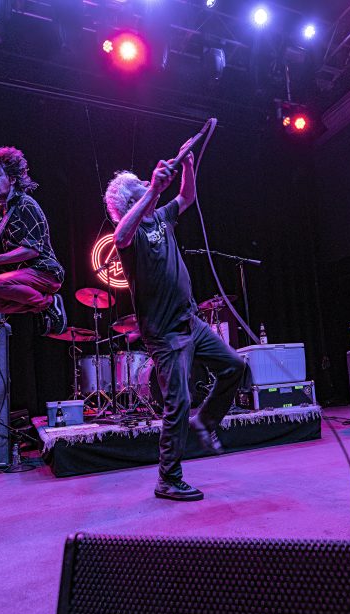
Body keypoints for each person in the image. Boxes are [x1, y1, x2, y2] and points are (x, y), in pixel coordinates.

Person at [105, 147, 245, 501]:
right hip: (165, 333)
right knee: (178, 402)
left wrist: (189, 165)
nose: (146, 182)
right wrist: (153, 188)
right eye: (140, 184)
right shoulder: (131, 233)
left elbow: (186, 197)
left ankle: (206, 421)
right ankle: (168, 479)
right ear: (130, 200)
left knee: (234, 366)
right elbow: (119, 237)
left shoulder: (161, 217)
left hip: (190, 321)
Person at [0, 146, 66, 335]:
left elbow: (32, 250)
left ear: (12, 179)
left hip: (45, 272)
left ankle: (49, 303)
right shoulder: (1, 208)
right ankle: (41, 307)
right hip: (25, 274)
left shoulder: (25, 204)